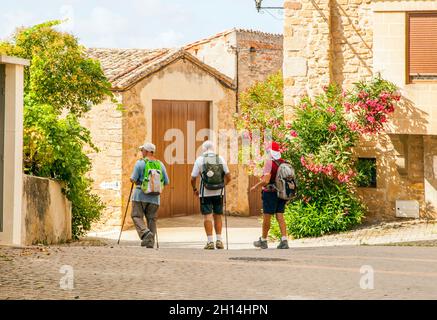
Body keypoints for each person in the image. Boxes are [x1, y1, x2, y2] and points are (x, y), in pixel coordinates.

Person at [191, 141, 231, 250]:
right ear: (213, 149)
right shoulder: (220, 159)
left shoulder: (200, 160)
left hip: (205, 193)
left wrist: (195, 189)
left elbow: (193, 178)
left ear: (203, 149)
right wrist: (223, 185)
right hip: (219, 192)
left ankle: (210, 242)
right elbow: (229, 176)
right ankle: (219, 240)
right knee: (218, 215)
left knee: (207, 216)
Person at [250, 141, 289, 249]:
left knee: (267, 216)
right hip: (282, 193)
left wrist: (255, 187)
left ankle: (263, 240)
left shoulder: (269, 163)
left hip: (270, 193)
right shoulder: (284, 162)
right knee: (280, 216)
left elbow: (266, 180)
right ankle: (284, 240)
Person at [130, 142, 169, 248]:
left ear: (146, 151)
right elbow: (166, 181)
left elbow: (133, 178)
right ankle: (150, 242)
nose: (141, 152)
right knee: (151, 219)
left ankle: (146, 233)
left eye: (142, 150)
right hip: (155, 198)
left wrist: (134, 180)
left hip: (140, 195)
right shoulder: (160, 164)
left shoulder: (140, 163)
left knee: (136, 216)